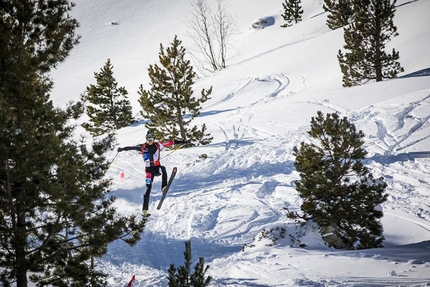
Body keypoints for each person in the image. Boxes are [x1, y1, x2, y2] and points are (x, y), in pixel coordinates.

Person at [117, 130, 187, 212]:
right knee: (148, 189)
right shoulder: (142, 147)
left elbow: (171, 142)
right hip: (149, 171)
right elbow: (131, 148)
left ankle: (164, 187)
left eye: (151, 139)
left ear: (153, 139)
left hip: (157, 168)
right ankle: (145, 210)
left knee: (163, 168)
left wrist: (182, 141)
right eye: (148, 140)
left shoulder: (158, 145)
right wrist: (122, 149)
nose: (150, 141)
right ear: (146, 139)